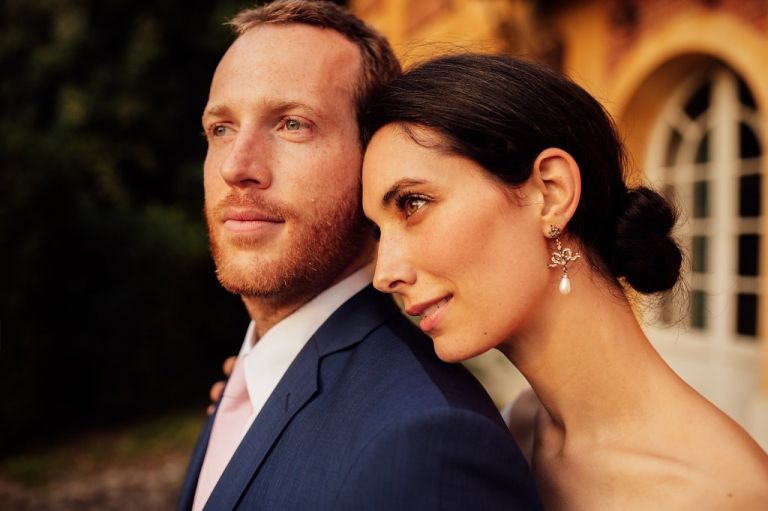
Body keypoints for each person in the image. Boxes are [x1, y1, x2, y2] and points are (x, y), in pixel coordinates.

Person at [361, 52, 768, 509]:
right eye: (378, 232)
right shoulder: (515, 429)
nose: (385, 274)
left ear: (551, 194)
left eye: (412, 204)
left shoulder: (722, 494)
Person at [177, 2, 541, 510]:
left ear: (374, 161)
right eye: (221, 128)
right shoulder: (251, 377)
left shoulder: (430, 442)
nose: (237, 166)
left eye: (293, 124)